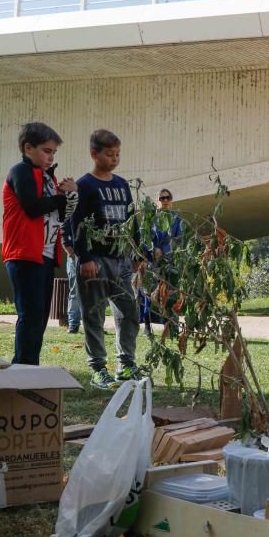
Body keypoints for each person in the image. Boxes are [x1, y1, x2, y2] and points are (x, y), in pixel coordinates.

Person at [70, 129, 141, 390]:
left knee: (128, 311)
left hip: (121, 259)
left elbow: (132, 219)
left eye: (118, 154)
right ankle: (98, 368)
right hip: (95, 261)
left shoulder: (122, 185)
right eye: (110, 154)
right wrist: (85, 258)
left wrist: (136, 252)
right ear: (94, 154)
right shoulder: (85, 186)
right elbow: (75, 224)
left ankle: (127, 363)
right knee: (94, 315)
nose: (115, 159)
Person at [1, 122, 78, 365]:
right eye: (46, 150)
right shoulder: (21, 172)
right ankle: (23, 366)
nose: (50, 156)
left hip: (44, 255)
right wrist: (59, 198)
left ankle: (30, 364)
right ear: (28, 148)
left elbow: (62, 214)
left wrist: (71, 195)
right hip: (24, 254)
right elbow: (33, 207)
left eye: (54, 152)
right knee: (30, 315)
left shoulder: (47, 178)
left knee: (41, 317)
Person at [141, 188, 183, 336]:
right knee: (150, 292)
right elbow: (144, 238)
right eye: (162, 198)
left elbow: (179, 240)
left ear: (171, 200)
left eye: (167, 198)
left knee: (171, 293)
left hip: (170, 261)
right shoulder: (151, 219)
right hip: (154, 262)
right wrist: (154, 249)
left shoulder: (177, 219)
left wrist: (165, 250)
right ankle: (147, 326)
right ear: (157, 201)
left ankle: (172, 326)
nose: (165, 200)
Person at [63, 227, 82, 335]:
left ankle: (96, 323)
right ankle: (73, 324)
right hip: (74, 255)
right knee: (75, 290)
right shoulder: (72, 212)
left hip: (93, 255)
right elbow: (64, 235)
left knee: (96, 290)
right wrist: (72, 254)